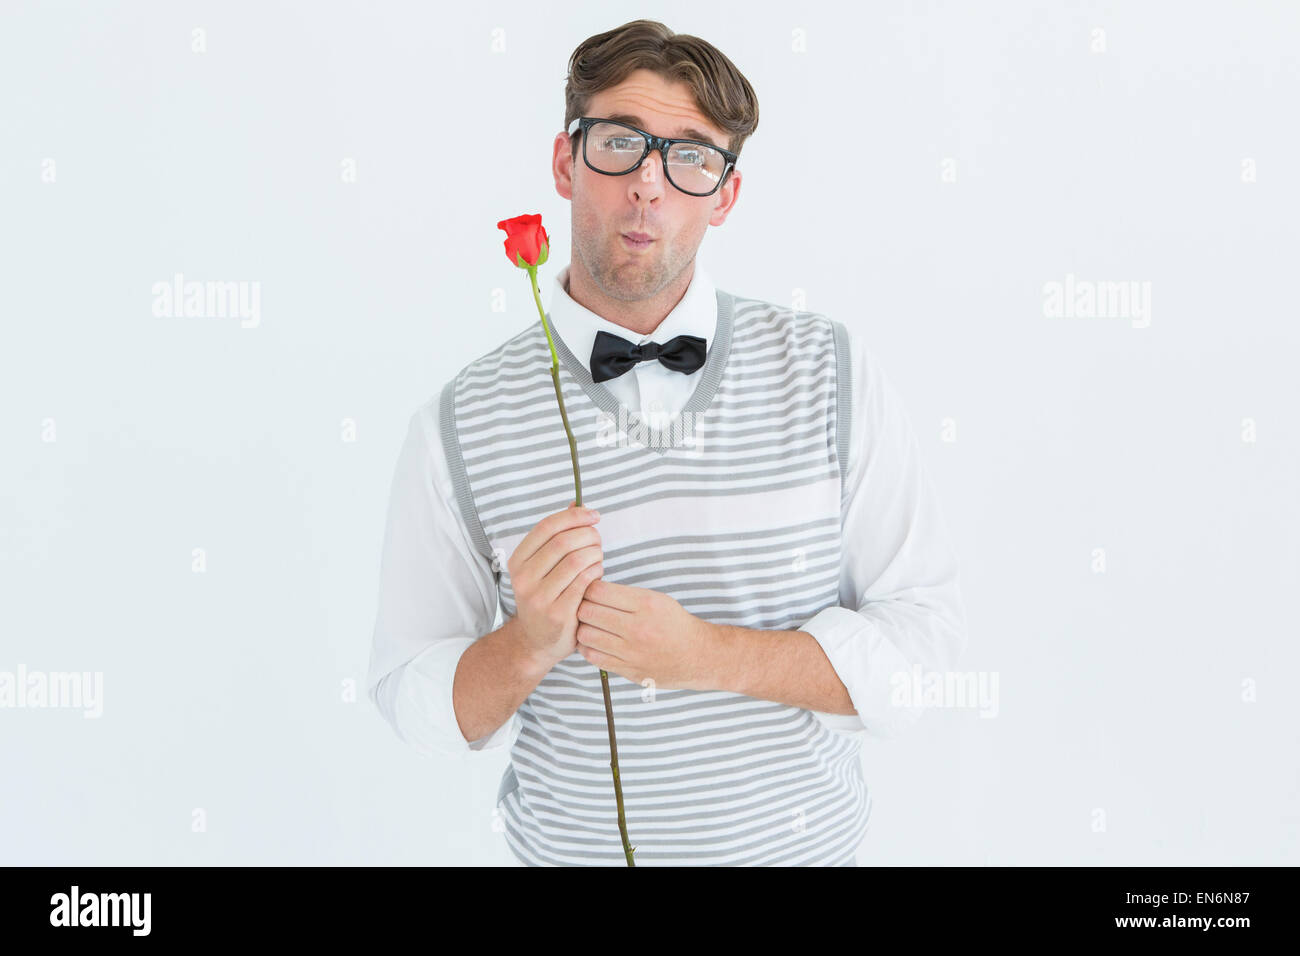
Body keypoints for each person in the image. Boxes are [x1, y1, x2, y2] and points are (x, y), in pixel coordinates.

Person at [366, 19, 968, 866]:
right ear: (564, 162)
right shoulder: (457, 421)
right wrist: (525, 644)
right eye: (620, 142)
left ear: (725, 193)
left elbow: (924, 649)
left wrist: (706, 655)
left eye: (689, 155)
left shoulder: (833, 370)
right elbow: (408, 696)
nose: (648, 184)